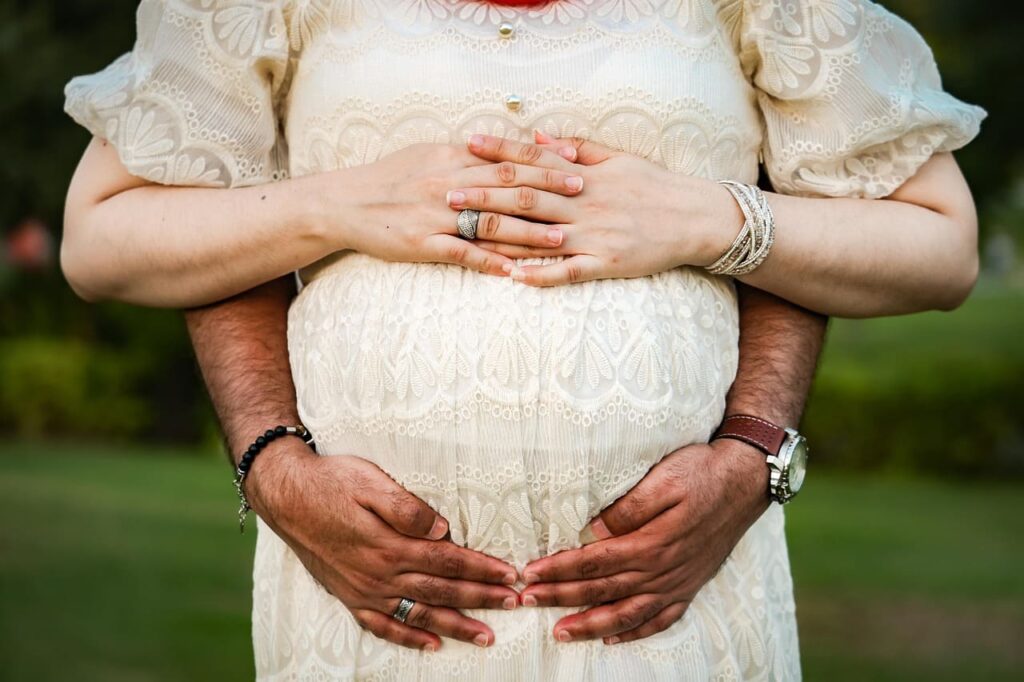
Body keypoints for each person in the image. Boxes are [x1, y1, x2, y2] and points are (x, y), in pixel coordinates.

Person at [60, 0, 985, 679]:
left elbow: (940, 247)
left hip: (676, 609)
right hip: (374, 618)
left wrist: (715, 222)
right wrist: (334, 210)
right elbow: (104, 241)